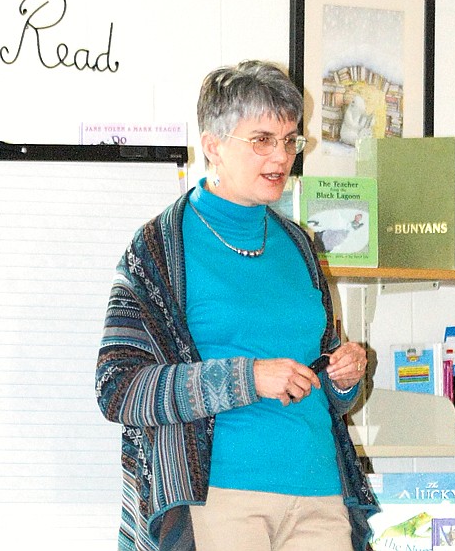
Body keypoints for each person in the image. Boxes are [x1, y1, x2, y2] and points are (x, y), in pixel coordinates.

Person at [95, 60, 379, 551]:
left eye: (291, 140)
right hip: (220, 499)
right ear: (213, 146)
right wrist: (247, 378)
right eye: (262, 139)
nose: (281, 156)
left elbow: (323, 381)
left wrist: (343, 377)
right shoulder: (159, 249)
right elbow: (118, 388)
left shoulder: (300, 245)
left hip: (320, 494)